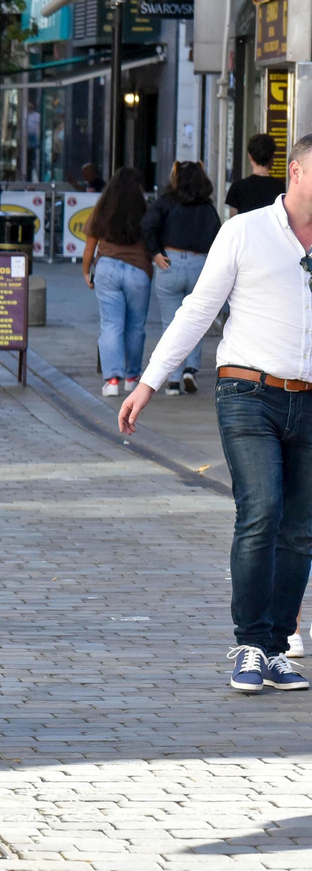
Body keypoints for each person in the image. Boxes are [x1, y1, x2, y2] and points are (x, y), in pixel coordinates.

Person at [120, 131, 312, 694]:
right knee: (262, 510)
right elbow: (198, 308)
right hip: (249, 394)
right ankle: (249, 644)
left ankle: (277, 649)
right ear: (296, 173)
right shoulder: (245, 231)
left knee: (301, 531)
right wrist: (149, 381)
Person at [143, 160, 222, 396]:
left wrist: (155, 252)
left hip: (170, 263)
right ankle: (190, 370)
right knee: (197, 321)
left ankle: (173, 380)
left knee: (171, 323)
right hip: (200, 266)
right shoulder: (207, 207)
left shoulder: (165, 203)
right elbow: (218, 236)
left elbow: (147, 225)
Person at [81, 166, 153, 397]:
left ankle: (112, 380)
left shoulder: (102, 209)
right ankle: (132, 377)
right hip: (138, 270)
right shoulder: (145, 210)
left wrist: (86, 272)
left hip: (107, 269)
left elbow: (89, 246)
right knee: (135, 327)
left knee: (111, 325)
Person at [227, 134, 285, 216]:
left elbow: (233, 221)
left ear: (250, 156)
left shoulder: (238, 187)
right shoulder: (280, 187)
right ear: (272, 157)